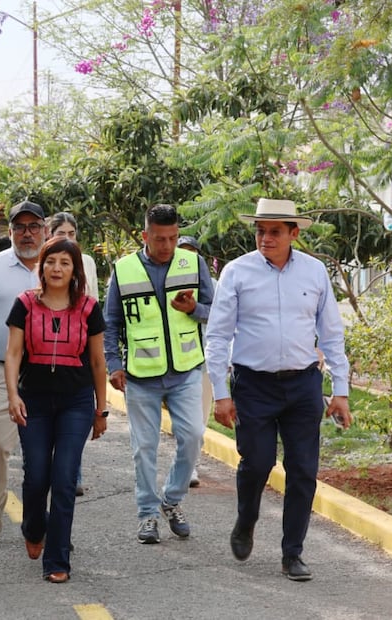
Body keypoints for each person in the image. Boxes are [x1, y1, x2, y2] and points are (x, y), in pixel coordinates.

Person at [205, 198, 351, 582]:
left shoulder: (315, 272)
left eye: (274, 231)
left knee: (303, 470)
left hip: (303, 384)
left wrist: (341, 390)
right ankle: (246, 519)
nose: (265, 238)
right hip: (254, 385)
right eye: (260, 230)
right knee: (256, 463)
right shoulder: (237, 273)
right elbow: (218, 336)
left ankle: (292, 554)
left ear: (293, 233)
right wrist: (220, 392)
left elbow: (332, 333)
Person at [103, 204, 213, 544]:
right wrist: (113, 364)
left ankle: (172, 499)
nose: (167, 246)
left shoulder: (192, 263)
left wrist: (194, 309)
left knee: (193, 437)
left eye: (173, 238)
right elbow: (110, 323)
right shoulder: (124, 270)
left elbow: (218, 311)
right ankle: (147, 514)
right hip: (141, 374)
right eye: (160, 239)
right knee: (144, 448)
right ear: (145, 235)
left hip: (186, 370)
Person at [5, 237, 108, 583]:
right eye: (51, 262)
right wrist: (12, 395)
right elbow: (14, 354)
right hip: (32, 400)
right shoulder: (24, 305)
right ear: (42, 266)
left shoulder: (89, 308)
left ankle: (57, 559)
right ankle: (34, 528)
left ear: (75, 270)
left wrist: (101, 409)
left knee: (64, 479)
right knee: (36, 476)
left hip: (75, 403)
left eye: (65, 262)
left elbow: (97, 361)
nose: (57, 268)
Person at [0, 200, 47, 537]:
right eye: (20, 227)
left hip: (50, 371)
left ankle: (41, 521)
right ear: (10, 231)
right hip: (1, 369)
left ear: (45, 229)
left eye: (33, 227)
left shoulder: (58, 262)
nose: (27, 234)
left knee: (44, 452)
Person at [47, 210, 101, 496]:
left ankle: (73, 473)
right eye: (60, 233)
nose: (67, 239)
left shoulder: (87, 262)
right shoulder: (45, 265)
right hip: (49, 347)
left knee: (76, 415)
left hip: (80, 344)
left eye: (71, 234)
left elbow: (92, 298)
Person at [177, 235, 214, 488]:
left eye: (192, 253)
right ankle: (186, 465)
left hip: (206, 363)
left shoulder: (215, 286)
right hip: (177, 364)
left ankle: (191, 464)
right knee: (186, 421)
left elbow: (219, 320)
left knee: (199, 423)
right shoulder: (167, 285)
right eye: (183, 253)